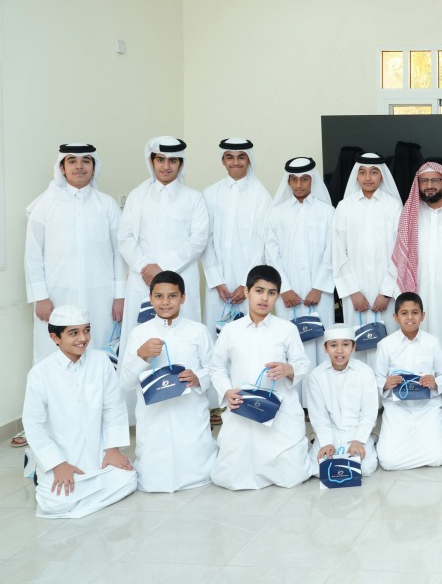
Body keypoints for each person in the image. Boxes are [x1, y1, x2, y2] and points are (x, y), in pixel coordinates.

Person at [20, 144, 127, 449]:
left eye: (85, 161)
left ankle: (103, 424)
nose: (79, 167)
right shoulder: (44, 205)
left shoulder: (107, 205)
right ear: (62, 167)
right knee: (50, 355)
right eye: (72, 161)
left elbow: (118, 254)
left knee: (100, 357)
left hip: (101, 297)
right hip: (56, 298)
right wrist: (40, 296)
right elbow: (32, 256)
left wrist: (120, 296)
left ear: (94, 167)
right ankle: (43, 425)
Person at [22, 305, 137, 518]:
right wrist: (57, 464)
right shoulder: (40, 373)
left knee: (128, 479)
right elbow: (33, 425)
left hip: (98, 453)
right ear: (55, 337)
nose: (83, 338)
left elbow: (114, 406)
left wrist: (112, 449)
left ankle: (82, 499)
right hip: (62, 456)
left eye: (87, 330)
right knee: (54, 504)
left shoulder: (101, 361)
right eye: (73, 333)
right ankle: (71, 490)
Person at [209, 265, 313, 490]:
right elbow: (216, 368)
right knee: (230, 478)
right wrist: (227, 391)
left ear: (277, 296)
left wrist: (288, 369)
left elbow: (303, 364)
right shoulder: (230, 330)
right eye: (259, 290)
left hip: (280, 411)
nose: (264, 298)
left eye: (271, 292)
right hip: (242, 410)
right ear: (247, 292)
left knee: (292, 476)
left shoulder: (286, 329)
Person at [119, 270, 217, 492]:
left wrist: (197, 377)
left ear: (183, 297)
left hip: (190, 416)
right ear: (151, 298)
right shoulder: (139, 334)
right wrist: (141, 356)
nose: (165, 302)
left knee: (198, 467)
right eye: (159, 296)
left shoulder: (198, 331)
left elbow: (214, 370)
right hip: (154, 422)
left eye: (172, 296)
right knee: (155, 477)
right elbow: (125, 382)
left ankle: (198, 468)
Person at [117, 136, 210, 334]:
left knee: (184, 337)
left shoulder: (194, 198)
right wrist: (145, 266)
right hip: (142, 278)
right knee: (140, 337)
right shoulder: (137, 195)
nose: (166, 166)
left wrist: (162, 268)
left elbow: (198, 239)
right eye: (160, 160)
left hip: (180, 275)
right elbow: (124, 238)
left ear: (181, 163)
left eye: (172, 160)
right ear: (151, 162)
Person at [391, 161, 442, 360]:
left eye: (435, 180)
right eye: (424, 181)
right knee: (420, 351)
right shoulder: (410, 215)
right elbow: (401, 259)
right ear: (417, 184)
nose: (429, 185)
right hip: (419, 295)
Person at [264, 156, 336, 368]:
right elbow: (271, 254)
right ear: (288, 182)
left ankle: (319, 397)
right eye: (293, 179)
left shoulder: (327, 212)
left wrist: (318, 287)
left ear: (312, 180)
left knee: (321, 342)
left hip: (319, 292)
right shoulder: (276, 213)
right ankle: (294, 398)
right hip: (288, 292)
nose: (298, 184)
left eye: (304, 179)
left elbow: (332, 252)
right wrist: (284, 289)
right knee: (290, 343)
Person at [333, 152, 403, 363]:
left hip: (386, 293)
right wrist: (353, 292)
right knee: (357, 347)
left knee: (388, 346)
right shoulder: (345, 207)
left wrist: (387, 292)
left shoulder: (393, 206)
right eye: (362, 172)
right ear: (356, 175)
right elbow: (338, 252)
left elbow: (399, 252)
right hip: (355, 294)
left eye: (374, 172)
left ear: (382, 175)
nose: (368, 177)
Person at [201, 139, 272, 337]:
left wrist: (246, 283)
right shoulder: (210, 193)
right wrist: (216, 281)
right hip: (218, 282)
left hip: (249, 281)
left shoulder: (261, 195)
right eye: (230, 157)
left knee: (250, 335)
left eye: (241, 157)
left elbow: (264, 244)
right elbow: (206, 240)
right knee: (215, 335)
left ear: (249, 160)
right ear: (223, 161)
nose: (236, 162)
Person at [374, 292, 442, 470]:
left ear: (423, 315)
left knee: (438, 458)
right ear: (395, 317)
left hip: (428, 407)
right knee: (388, 462)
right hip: (397, 408)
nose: (410, 317)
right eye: (404, 313)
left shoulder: (433, 343)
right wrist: (386, 383)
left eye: (415, 312)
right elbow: (377, 378)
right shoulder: (385, 345)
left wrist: (435, 382)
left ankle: (436, 437)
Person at [307, 327, 380, 478]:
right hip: (329, 430)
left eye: (345, 345)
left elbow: (369, 413)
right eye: (333, 345)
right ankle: (318, 442)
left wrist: (359, 440)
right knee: (318, 468)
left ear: (353, 347)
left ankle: (369, 438)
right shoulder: (316, 375)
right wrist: (327, 442)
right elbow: (318, 415)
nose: (339, 351)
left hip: (356, 430)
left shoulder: (365, 372)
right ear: (325, 348)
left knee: (364, 468)